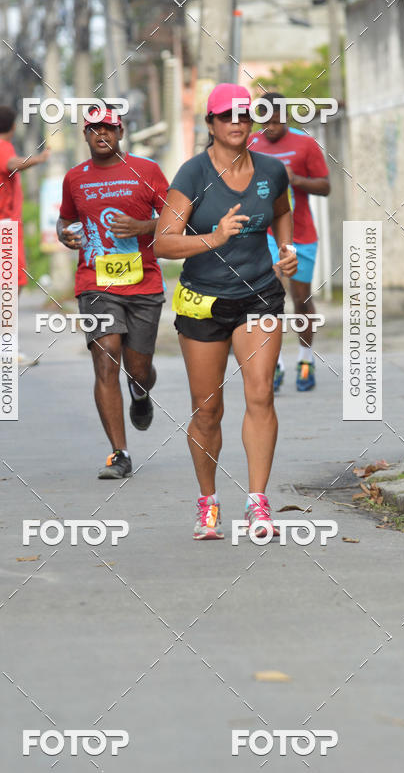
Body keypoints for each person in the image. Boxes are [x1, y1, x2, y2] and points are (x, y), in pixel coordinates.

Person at [154, 83, 298, 541]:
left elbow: (282, 212)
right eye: (227, 116)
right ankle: (208, 501)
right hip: (203, 299)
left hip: (259, 293)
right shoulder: (193, 175)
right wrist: (214, 238)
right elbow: (163, 243)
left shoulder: (272, 170)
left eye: (244, 116)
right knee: (208, 408)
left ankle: (258, 502)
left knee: (260, 395)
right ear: (211, 124)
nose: (237, 124)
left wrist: (287, 250)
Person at [57, 105, 169, 480]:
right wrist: (64, 233)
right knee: (106, 359)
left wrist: (142, 225)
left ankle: (140, 392)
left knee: (137, 369)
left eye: (108, 129)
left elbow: (176, 218)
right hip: (95, 283)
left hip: (143, 282)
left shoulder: (148, 171)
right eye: (93, 130)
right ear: (85, 136)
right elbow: (65, 218)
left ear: (121, 133)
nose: (101, 135)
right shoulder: (74, 178)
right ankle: (119, 454)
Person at [248, 92, 330, 392]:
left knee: (301, 298)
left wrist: (295, 180)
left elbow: (325, 186)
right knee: (269, 297)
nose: (271, 126)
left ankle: (306, 359)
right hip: (263, 234)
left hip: (301, 234)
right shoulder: (250, 144)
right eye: (265, 120)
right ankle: (275, 365)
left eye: (276, 119)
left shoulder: (305, 144)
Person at [0, 105, 50, 365]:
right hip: (4, 224)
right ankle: (7, 349)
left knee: (0, 289)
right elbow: (11, 164)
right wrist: (37, 159)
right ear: (13, 126)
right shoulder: (2, 148)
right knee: (8, 289)